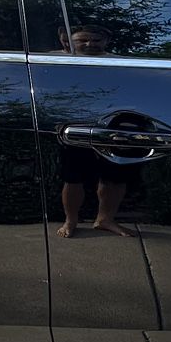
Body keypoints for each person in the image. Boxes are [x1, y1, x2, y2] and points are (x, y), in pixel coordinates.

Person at [57, 24, 139, 238]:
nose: (89, 44)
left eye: (95, 40)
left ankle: (105, 219)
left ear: (106, 42)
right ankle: (71, 220)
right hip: (75, 125)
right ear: (68, 42)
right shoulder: (54, 60)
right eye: (82, 40)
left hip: (115, 125)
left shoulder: (120, 63)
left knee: (116, 176)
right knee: (73, 177)